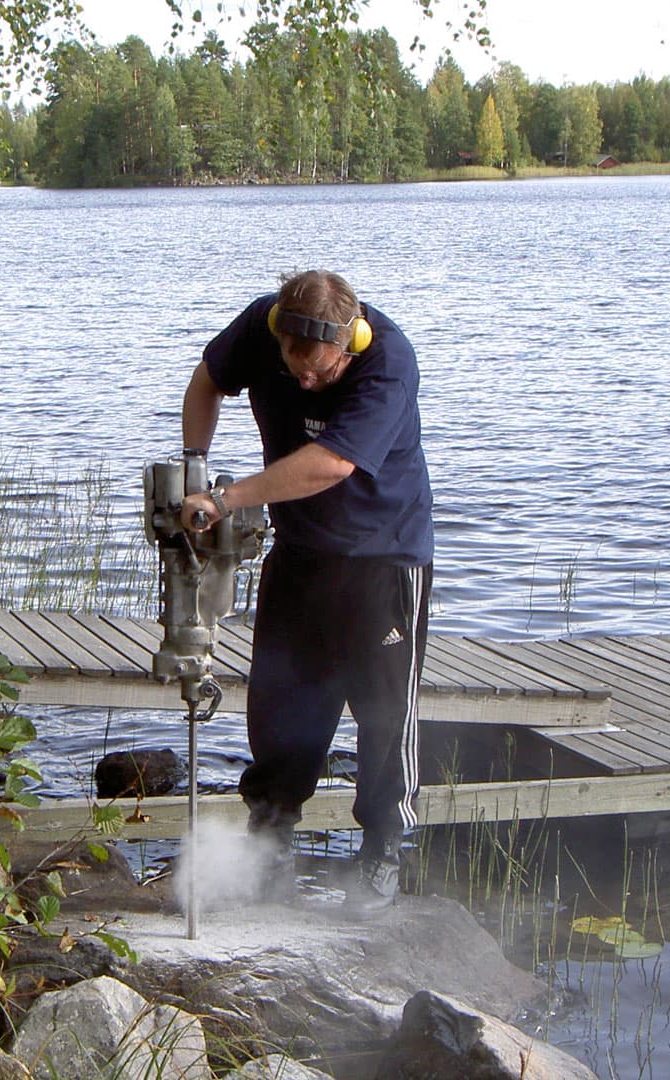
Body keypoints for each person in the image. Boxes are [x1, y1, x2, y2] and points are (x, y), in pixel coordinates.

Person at [178, 269, 433, 911]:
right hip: (301, 551)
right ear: (280, 335)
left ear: (353, 342)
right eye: (298, 367)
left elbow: (333, 464)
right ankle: (270, 846)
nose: (309, 382)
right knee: (282, 700)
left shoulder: (389, 363)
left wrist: (226, 499)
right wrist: (194, 468)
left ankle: (381, 853)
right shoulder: (263, 327)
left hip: (385, 556)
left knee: (382, 713)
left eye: (324, 371)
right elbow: (208, 381)